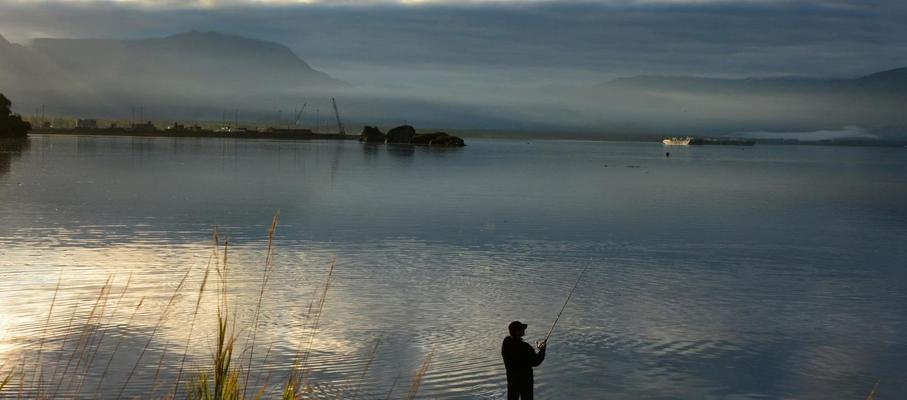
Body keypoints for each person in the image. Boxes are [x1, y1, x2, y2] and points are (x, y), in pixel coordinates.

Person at [501, 320, 546, 400]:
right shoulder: (525, 347)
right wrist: (542, 350)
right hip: (526, 383)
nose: (524, 330)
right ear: (517, 332)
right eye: (522, 329)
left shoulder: (506, 344)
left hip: (512, 381)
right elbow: (536, 361)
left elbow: (514, 344)